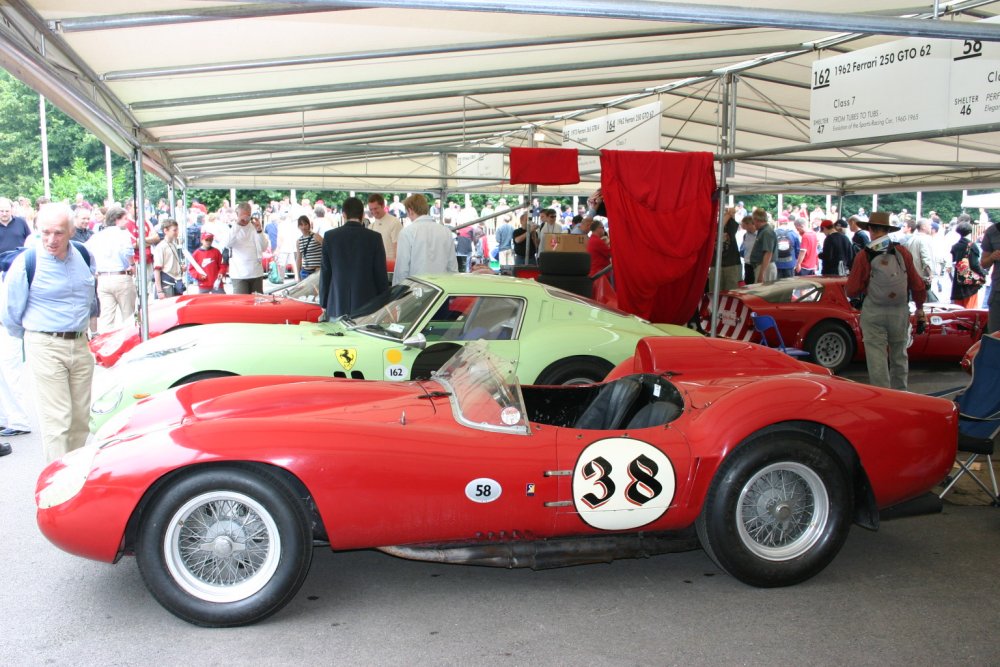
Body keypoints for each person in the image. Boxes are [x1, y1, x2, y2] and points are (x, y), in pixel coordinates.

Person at [3, 203, 98, 462]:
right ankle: (58, 491)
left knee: (80, 419)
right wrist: (36, 339)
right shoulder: (27, 262)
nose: (51, 240)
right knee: (58, 421)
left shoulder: (84, 254)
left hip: (79, 344)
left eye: (57, 233)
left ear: (70, 231)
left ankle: (74, 477)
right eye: (45, 233)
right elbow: (10, 312)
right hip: (44, 342)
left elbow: (89, 296)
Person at [846, 211, 926, 391]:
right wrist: (920, 309)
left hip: (874, 311)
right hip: (899, 311)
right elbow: (918, 284)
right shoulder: (902, 252)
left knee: (877, 359)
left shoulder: (865, 255)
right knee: (899, 355)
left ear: (871, 230)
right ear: (887, 230)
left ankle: (883, 397)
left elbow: (852, 289)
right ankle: (901, 394)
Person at [320, 196, 388, 319]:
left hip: (336, 303)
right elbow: (380, 274)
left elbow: (325, 272)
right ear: (363, 215)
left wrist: (324, 301)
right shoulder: (375, 238)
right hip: (367, 305)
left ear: (344, 215)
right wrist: (383, 302)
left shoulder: (330, 237)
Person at [85, 206, 135, 332]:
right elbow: (128, 251)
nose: (127, 222)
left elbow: (87, 250)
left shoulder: (97, 236)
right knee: (128, 317)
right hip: (121, 276)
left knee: (107, 318)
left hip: (103, 278)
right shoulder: (122, 234)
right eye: (124, 219)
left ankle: (107, 345)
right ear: (117, 219)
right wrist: (132, 264)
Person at [393, 194, 459, 285]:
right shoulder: (445, 231)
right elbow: (452, 267)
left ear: (410, 210)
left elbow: (402, 269)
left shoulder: (407, 232)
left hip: (416, 290)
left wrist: (398, 294)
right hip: (442, 289)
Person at [228, 202, 268, 294]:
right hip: (239, 274)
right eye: (242, 216)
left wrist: (259, 230)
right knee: (241, 305)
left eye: (248, 215)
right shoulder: (233, 228)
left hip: (256, 272)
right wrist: (238, 224)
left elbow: (264, 247)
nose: (245, 219)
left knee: (257, 305)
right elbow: (227, 244)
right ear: (237, 215)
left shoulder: (255, 227)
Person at [950, 220, 986, 308]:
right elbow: (974, 264)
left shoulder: (955, 246)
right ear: (970, 231)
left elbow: (955, 262)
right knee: (970, 309)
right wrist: (983, 273)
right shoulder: (971, 245)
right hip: (970, 282)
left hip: (958, 281)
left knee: (958, 309)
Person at [709, 207, 742, 291]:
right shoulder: (711, 226)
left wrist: (730, 213)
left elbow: (731, 215)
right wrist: (727, 214)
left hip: (731, 264)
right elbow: (718, 226)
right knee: (715, 292)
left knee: (732, 292)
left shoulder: (731, 226)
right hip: (716, 265)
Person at [152, 218, 183, 299]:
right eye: (174, 230)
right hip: (166, 285)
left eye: (177, 230)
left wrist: (180, 268)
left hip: (175, 282)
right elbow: (157, 270)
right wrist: (159, 290)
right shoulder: (161, 247)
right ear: (166, 230)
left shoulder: (173, 244)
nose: (177, 232)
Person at [367, 194, 402, 262]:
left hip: (390, 267)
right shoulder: (371, 226)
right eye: (371, 209)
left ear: (383, 206)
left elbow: (398, 249)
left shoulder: (394, 222)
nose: (373, 212)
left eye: (376, 208)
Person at [747, 208, 777, 284]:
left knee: (763, 293)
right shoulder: (763, 231)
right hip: (763, 267)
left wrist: (762, 273)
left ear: (756, 219)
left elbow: (768, 253)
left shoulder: (766, 232)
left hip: (765, 267)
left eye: (753, 220)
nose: (753, 223)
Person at [981, 218, 1000, 333]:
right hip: (998, 292)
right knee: (994, 334)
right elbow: (984, 263)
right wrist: (992, 257)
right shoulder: (992, 232)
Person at [294, 215, 323, 280]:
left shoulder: (316, 236)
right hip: (305, 272)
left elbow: (328, 249)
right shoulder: (299, 241)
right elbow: (298, 259)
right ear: (298, 226)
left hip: (317, 271)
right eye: (301, 225)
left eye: (305, 224)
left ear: (309, 225)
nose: (303, 227)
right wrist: (298, 276)